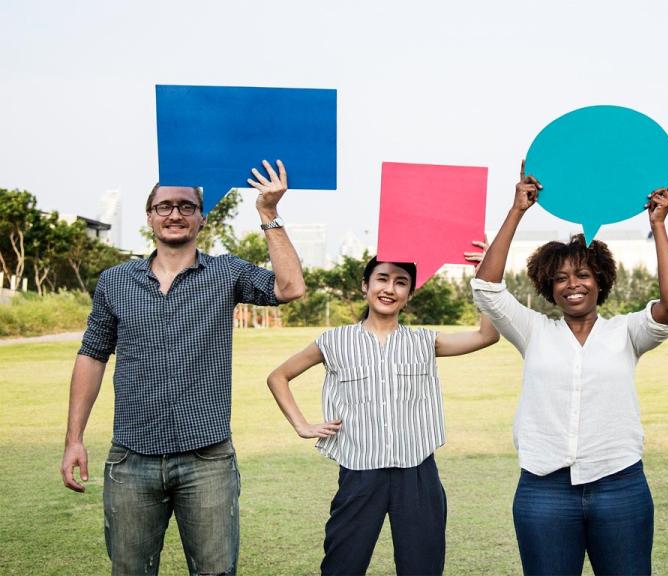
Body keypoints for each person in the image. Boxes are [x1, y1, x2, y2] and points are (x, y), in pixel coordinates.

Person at [60, 160, 306, 575]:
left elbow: (291, 287)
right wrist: (74, 438)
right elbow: (92, 355)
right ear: (150, 216)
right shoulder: (115, 282)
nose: (175, 214)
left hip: (206, 458)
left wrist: (268, 213)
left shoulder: (226, 272)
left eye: (186, 206)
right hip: (132, 457)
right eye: (164, 206)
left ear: (201, 218)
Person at [471, 162, 668, 575]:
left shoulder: (627, 332)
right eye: (561, 278)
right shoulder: (532, 330)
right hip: (543, 489)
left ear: (600, 281)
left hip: (619, 485)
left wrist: (657, 224)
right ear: (548, 288)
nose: (573, 284)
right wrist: (517, 210)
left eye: (583, 275)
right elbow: (486, 288)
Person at [267, 251, 500, 576]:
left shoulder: (424, 342)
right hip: (359, 474)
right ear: (365, 285)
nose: (390, 288)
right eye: (382, 278)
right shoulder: (334, 341)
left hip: (417, 474)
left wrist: (483, 274)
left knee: (422, 568)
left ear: (409, 294)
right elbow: (278, 377)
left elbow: (487, 335)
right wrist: (301, 425)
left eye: (401, 282)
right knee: (341, 567)